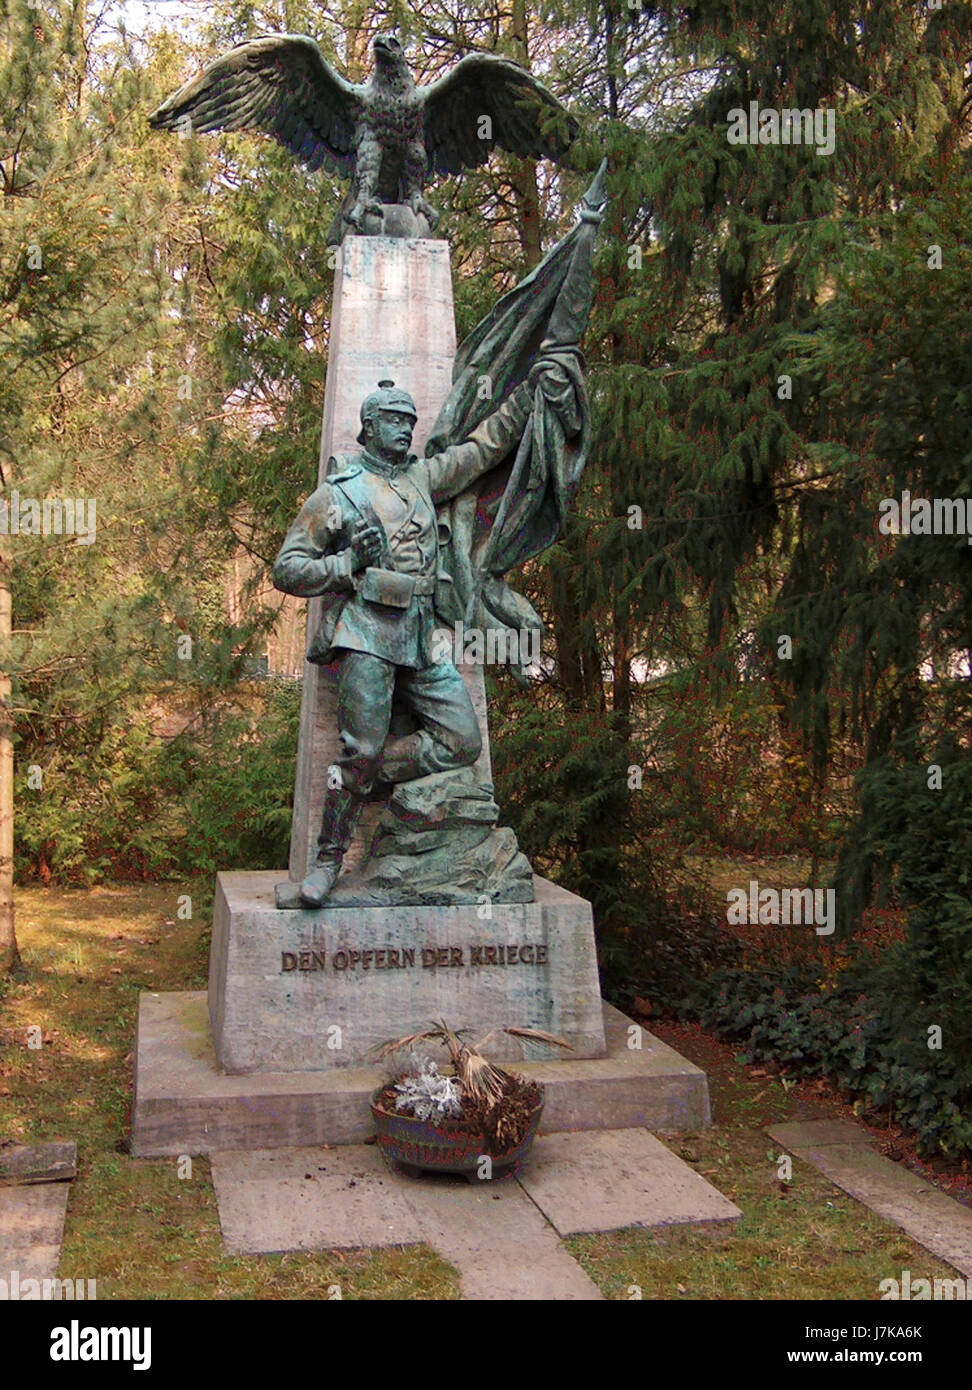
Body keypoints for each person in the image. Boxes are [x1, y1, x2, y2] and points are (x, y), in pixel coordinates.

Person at [273, 378, 532, 906]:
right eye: (395, 418)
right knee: (360, 746)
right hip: (366, 631)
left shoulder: (423, 477)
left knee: (463, 740)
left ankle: (363, 773)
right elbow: (287, 569)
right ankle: (328, 858)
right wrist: (346, 563)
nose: (406, 428)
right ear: (369, 426)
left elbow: (481, 449)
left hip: (421, 631)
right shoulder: (338, 493)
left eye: (411, 420)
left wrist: (527, 398)